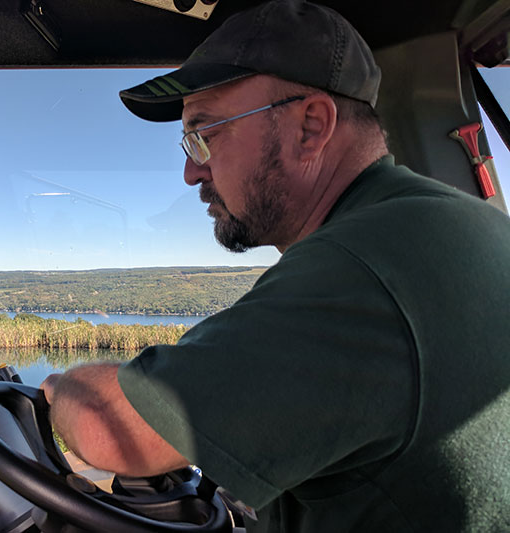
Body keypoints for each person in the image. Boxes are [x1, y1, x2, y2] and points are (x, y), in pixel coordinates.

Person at [41, 0, 510, 530]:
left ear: (311, 126)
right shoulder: (442, 221)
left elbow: (113, 429)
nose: (192, 173)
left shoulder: (360, 267)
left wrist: (59, 388)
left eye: (205, 134)